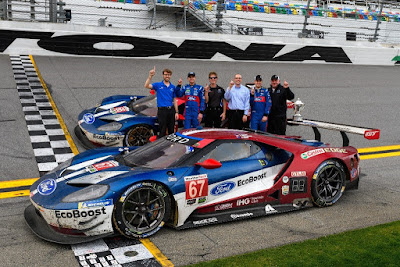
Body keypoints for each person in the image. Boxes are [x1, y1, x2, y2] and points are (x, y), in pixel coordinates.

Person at [144, 66, 179, 137]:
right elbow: (146, 86)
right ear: (163, 75)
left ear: (170, 76)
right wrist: (150, 76)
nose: (167, 76)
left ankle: (171, 146)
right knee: (162, 130)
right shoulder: (158, 85)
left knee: (171, 131)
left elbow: (175, 100)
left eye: (168, 75)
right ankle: (162, 146)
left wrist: (176, 112)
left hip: (171, 111)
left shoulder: (172, 87)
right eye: (166, 74)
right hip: (162, 111)